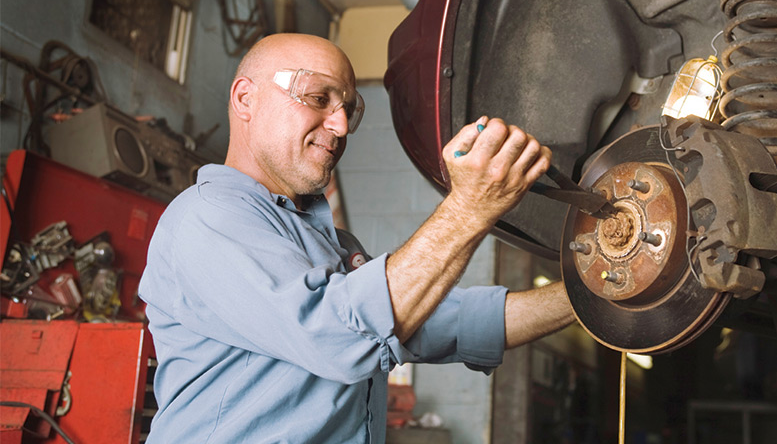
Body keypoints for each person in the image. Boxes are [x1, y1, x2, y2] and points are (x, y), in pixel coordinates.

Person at [138, 33, 575, 443]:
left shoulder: (332, 243)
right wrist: (469, 209)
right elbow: (343, 337)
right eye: (318, 98)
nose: (342, 125)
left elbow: (445, 323)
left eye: (349, 108)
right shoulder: (208, 217)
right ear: (245, 99)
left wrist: (588, 292)